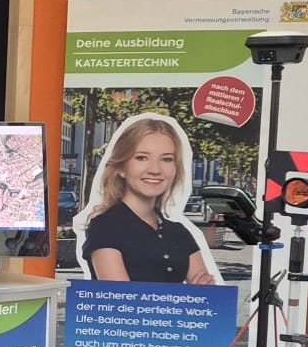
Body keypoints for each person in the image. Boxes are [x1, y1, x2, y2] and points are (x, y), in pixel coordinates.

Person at [74, 114, 220, 285]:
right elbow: (121, 297)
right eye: (142, 157)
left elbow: (206, 294)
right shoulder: (105, 227)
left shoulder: (178, 232)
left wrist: (202, 292)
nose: (155, 169)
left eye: (166, 159)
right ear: (121, 167)